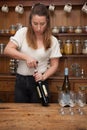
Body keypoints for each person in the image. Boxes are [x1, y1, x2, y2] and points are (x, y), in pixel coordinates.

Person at [4, 3, 62, 103]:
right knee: (20, 115)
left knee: (40, 115)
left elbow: (54, 65)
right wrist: (26, 57)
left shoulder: (53, 41)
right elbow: (7, 50)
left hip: (40, 81)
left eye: (42, 24)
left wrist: (44, 76)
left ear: (47, 22)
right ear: (30, 21)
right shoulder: (22, 33)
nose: (39, 28)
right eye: (35, 23)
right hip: (21, 82)